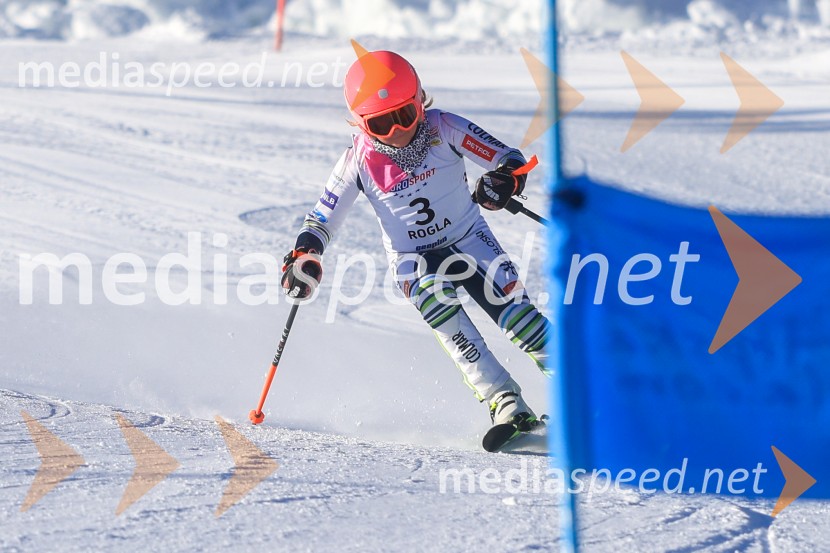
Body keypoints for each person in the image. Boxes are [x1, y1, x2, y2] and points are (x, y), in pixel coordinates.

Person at [281, 50, 551, 431]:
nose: (397, 132)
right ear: (360, 125)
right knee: (445, 314)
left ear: (420, 101)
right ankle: (503, 401)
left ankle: (584, 389)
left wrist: (505, 179)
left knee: (521, 321)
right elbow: (321, 220)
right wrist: (304, 255)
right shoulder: (358, 161)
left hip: (469, 238)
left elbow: (507, 157)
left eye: (405, 116)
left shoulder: (445, 128)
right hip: (412, 258)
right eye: (380, 125)